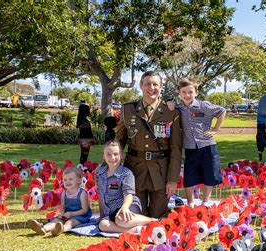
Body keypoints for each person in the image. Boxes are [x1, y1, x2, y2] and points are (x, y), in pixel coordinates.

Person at [115, 71, 182, 218]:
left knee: (157, 216)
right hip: (134, 171)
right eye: (147, 84)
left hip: (160, 172)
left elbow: (176, 149)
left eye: (155, 84)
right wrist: (111, 169)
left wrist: (172, 179)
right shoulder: (128, 110)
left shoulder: (171, 112)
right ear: (141, 85)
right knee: (136, 216)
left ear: (161, 87)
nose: (151, 88)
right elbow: (119, 141)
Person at [169, 78, 226, 207]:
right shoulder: (179, 108)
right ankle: (190, 203)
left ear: (196, 92)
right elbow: (168, 109)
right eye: (183, 92)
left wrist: (215, 129)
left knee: (209, 174)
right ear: (179, 93)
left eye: (190, 92)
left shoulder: (204, 106)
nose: (187, 95)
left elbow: (222, 111)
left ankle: (205, 202)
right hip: (190, 148)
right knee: (189, 177)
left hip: (208, 146)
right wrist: (169, 104)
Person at [96, 140, 155, 233]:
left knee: (120, 220)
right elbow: (100, 195)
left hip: (129, 205)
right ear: (103, 155)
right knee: (103, 225)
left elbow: (129, 194)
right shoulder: (99, 172)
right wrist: (101, 216)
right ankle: (138, 229)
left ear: (121, 155)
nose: (112, 157)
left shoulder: (126, 173)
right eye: (108, 154)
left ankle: (154, 222)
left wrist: (125, 207)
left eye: (116, 154)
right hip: (112, 212)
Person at [27, 167, 92, 236]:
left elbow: (85, 210)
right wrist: (61, 213)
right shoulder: (64, 193)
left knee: (70, 222)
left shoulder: (82, 193)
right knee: (56, 221)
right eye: (65, 180)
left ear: (79, 180)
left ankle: (62, 229)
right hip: (67, 215)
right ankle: (43, 228)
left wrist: (72, 214)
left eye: (71, 179)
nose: (67, 182)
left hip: (80, 216)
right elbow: (62, 207)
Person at [76, 99, 96, 164]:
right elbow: (87, 133)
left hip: (83, 139)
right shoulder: (85, 122)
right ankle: (82, 166)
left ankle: (82, 165)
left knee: (83, 155)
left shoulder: (81, 120)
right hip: (85, 140)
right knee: (84, 155)